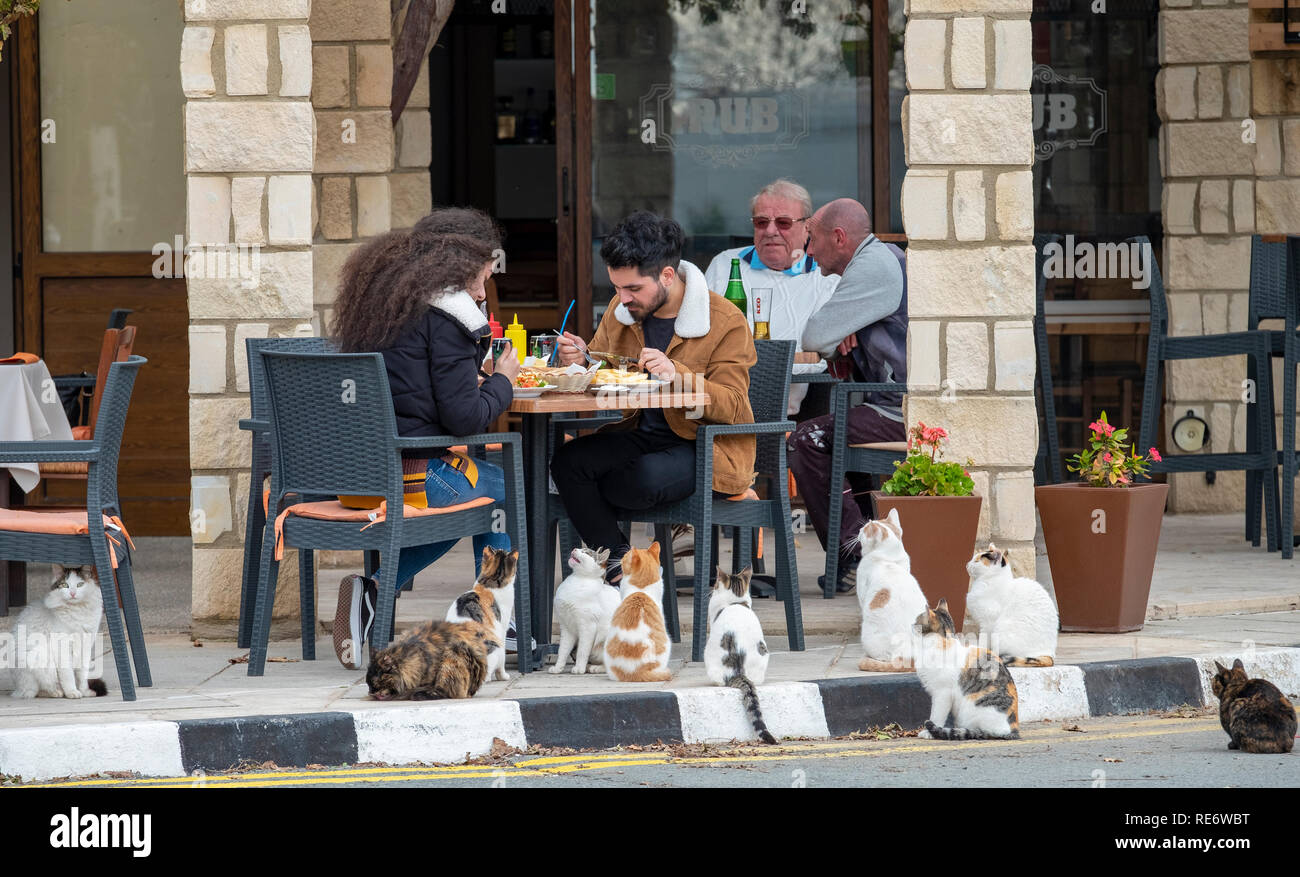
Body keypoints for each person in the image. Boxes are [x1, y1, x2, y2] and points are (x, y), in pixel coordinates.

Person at [327, 207, 520, 669]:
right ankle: (496, 621)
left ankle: (373, 591)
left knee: (476, 490)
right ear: (458, 263)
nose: (482, 289)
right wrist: (503, 381)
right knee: (500, 490)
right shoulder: (448, 319)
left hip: (356, 476)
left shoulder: (380, 299)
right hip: (411, 476)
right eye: (481, 276)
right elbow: (466, 419)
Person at [552, 211, 757, 585]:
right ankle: (621, 566)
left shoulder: (724, 319)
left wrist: (677, 373)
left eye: (632, 289)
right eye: (616, 288)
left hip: (704, 444)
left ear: (666, 275)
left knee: (634, 482)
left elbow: (733, 405)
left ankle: (621, 563)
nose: (622, 298)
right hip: (639, 435)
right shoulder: (622, 312)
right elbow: (602, 369)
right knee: (568, 462)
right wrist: (582, 361)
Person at [787, 198, 907, 594]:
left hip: (903, 406)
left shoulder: (874, 264)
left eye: (812, 239)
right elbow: (830, 339)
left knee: (807, 439)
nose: (808, 251)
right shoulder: (873, 263)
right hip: (885, 401)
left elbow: (815, 336)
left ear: (838, 237)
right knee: (835, 439)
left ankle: (860, 554)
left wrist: (838, 334)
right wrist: (844, 335)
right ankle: (863, 553)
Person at [703, 179, 840, 417]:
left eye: (784, 223)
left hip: (789, 416)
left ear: (807, 227)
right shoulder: (725, 265)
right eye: (761, 222)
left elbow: (825, 357)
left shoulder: (826, 277)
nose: (770, 231)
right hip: (719, 408)